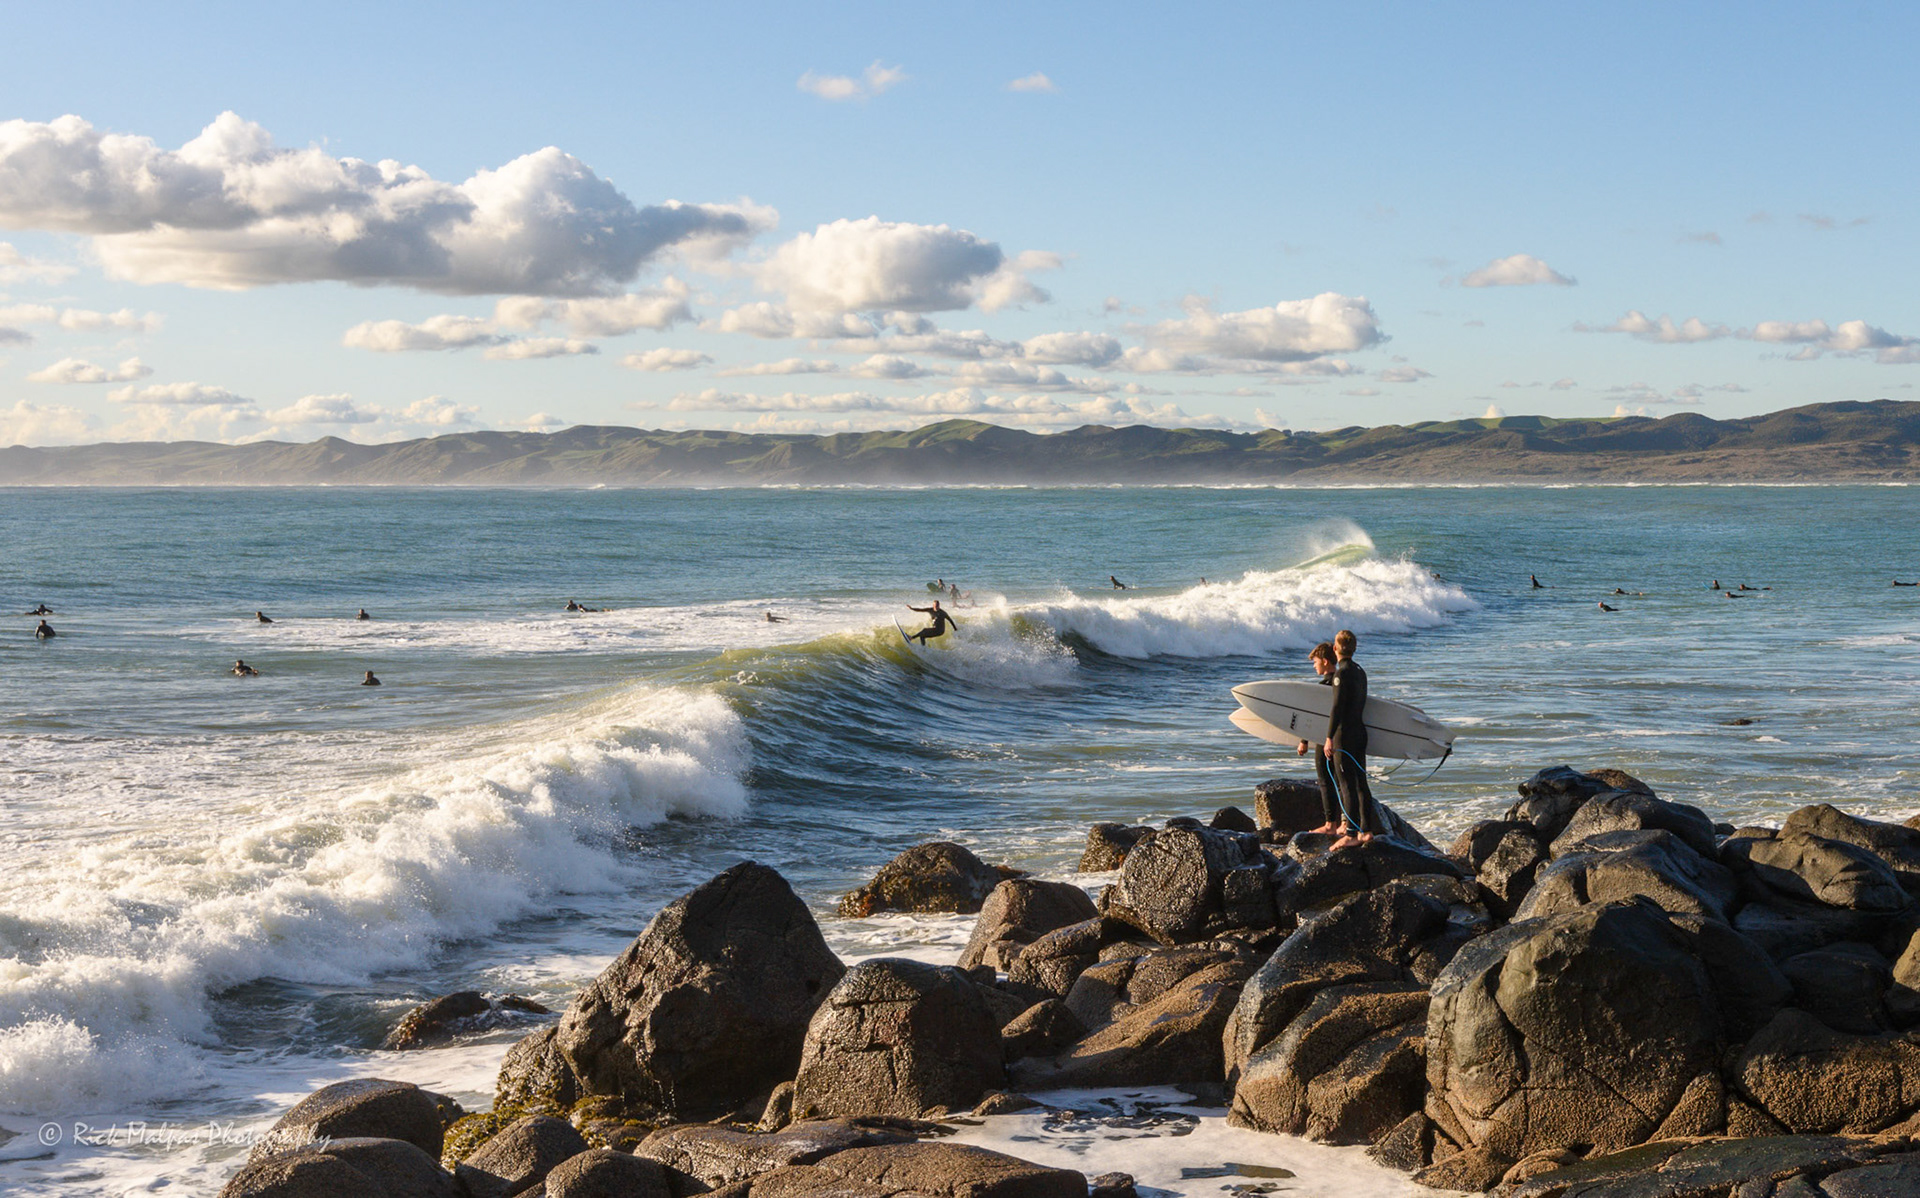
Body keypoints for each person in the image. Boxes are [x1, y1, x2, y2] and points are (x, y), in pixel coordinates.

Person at [1324, 629, 1379, 850]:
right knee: (1361, 784)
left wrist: (1329, 737)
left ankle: (1351, 833)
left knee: (1346, 783)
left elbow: (1336, 708)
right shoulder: (1360, 671)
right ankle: (1366, 831)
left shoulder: (1341, 674)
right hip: (1360, 732)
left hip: (1344, 735)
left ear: (1336, 648)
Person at [1297, 643, 1343, 836]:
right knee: (1341, 781)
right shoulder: (1342, 682)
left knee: (1325, 781)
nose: (1314, 666)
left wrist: (1304, 740)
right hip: (1341, 738)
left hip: (1324, 739)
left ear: (1325, 661)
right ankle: (1344, 822)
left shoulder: (1323, 687)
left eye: (1315, 662)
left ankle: (1330, 824)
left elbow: (1311, 716)